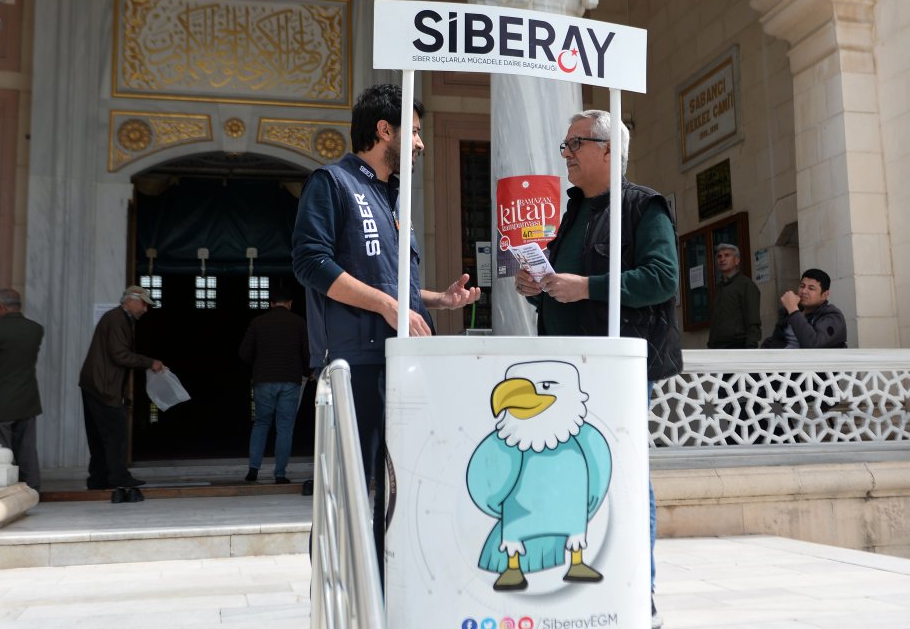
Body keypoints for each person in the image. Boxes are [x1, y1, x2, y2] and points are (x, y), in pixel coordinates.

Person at [291, 83, 481, 565]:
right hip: (353, 366)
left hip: (401, 365)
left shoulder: (395, 197)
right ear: (383, 130)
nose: (419, 144)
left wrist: (436, 299)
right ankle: (341, 603)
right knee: (347, 493)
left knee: (397, 493)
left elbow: (385, 283)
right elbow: (311, 264)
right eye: (414, 132)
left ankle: (384, 598)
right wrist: (386, 306)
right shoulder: (332, 183)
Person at [514, 109, 682, 629]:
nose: (565, 153)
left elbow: (662, 278)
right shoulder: (573, 211)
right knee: (574, 479)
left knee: (626, 478)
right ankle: (580, 584)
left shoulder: (644, 207)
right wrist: (539, 288)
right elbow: (567, 288)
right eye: (565, 144)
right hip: (567, 372)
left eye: (575, 143)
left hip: (619, 368)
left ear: (608, 150)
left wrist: (586, 286)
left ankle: (640, 594)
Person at [78, 285, 163, 490]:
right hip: (103, 388)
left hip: (96, 385)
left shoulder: (118, 318)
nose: (145, 309)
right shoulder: (117, 319)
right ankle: (117, 477)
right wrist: (150, 362)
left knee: (100, 436)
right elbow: (120, 355)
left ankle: (99, 479)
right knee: (115, 434)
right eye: (143, 303)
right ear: (130, 300)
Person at [238, 286, 309, 485]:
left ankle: (253, 470)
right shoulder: (299, 323)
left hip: (263, 380)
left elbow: (244, 353)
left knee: (261, 424)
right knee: (285, 428)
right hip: (290, 381)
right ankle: (280, 474)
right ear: (290, 304)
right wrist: (307, 371)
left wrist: (260, 364)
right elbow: (308, 353)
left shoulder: (257, 322)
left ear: (271, 304)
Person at [0, 288, 45, 490]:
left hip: (1, 399)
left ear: (1, 306)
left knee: (3, 449)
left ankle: (7, 489)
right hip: (27, 398)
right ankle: (32, 488)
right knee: (27, 449)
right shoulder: (35, 329)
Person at [761, 268, 847, 348]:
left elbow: (813, 344)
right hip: (782, 360)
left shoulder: (832, 315)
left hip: (810, 363)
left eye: (811, 288)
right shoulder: (788, 312)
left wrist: (793, 310)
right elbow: (777, 340)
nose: (804, 291)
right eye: (802, 286)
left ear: (824, 295)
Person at [707, 243, 761, 349]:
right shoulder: (719, 287)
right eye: (719, 256)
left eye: (727, 255)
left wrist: (751, 346)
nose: (722, 259)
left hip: (738, 346)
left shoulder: (746, 285)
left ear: (737, 260)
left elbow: (753, 319)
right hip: (717, 348)